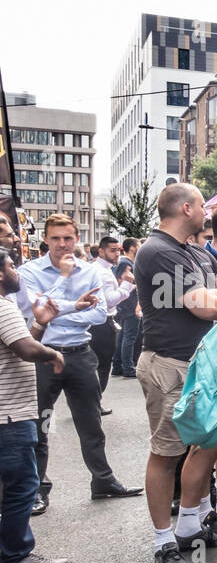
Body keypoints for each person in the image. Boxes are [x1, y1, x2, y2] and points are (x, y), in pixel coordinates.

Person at [134, 183, 217, 563]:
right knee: (166, 455)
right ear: (184, 208)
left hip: (201, 365)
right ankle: (164, 544)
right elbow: (203, 306)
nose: (207, 211)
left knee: (206, 444)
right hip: (168, 364)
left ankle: (189, 526)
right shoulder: (157, 250)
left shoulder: (194, 251)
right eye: (201, 205)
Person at [14, 214, 142, 515]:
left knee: (91, 423)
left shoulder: (89, 271)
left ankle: (103, 481)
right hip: (43, 353)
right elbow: (33, 312)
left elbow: (99, 316)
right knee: (41, 424)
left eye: (68, 238)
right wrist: (65, 282)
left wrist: (57, 311)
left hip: (80, 353)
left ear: (77, 239)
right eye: (56, 238)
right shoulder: (29, 271)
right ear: (45, 239)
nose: (62, 244)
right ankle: (37, 489)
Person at [0, 249, 69, 563]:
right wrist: (52, 352)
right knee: (22, 485)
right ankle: (14, 557)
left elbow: (22, 340)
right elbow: (25, 349)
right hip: (9, 416)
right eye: (12, 265)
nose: (17, 271)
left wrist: (40, 323)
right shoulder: (2, 306)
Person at [90, 235, 135, 400]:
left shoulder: (102, 269)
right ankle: (95, 402)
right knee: (102, 366)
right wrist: (127, 285)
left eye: (118, 250)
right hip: (103, 322)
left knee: (98, 365)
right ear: (101, 251)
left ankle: (93, 402)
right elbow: (110, 300)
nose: (117, 254)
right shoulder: (103, 272)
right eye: (112, 250)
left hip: (99, 322)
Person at [111, 237, 141, 378]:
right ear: (132, 248)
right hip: (129, 304)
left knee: (124, 336)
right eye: (138, 245)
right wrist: (133, 284)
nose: (140, 247)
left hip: (127, 304)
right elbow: (120, 281)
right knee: (129, 337)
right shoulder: (125, 263)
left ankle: (118, 366)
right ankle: (128, 368)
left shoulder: (127, 262)